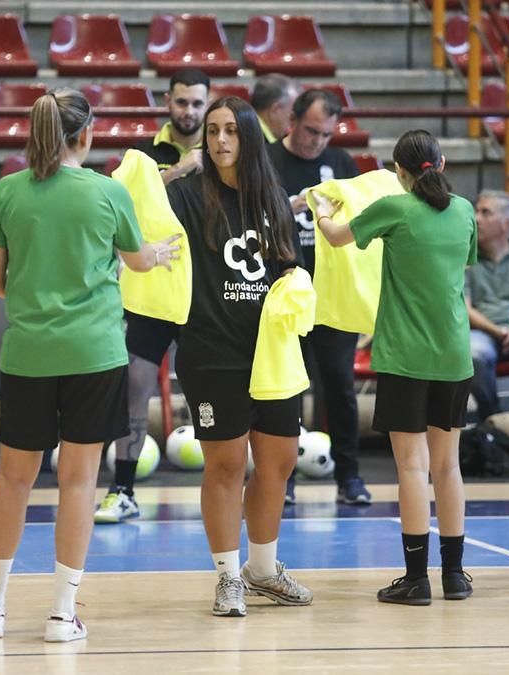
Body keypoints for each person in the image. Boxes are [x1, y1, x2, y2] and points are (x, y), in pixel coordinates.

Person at [0, 88, 180, 642]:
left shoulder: (8, 192)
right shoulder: (109, 193)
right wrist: (157, 253)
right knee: (79, 482)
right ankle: (62, 614)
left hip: (28, 355)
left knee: (12, 480)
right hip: (95, 354)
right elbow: (137, 260)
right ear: (87, 135)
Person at [313, 130, 477, 605]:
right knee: (448, 467)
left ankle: (415, 578)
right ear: (442, 163)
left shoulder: (394, 208)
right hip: (454, 355)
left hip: (405, 357)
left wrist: (324, 211)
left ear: (399, 172)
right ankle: (455, 575)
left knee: (412, 467)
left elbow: (337, 237)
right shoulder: (464, 211)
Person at [166, 95, 313, 617]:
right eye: (212, 131)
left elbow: (288, 270)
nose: (221, 141)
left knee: (278, 462)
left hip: (271, 356)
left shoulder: (272, 198)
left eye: (231, 131)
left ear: (249, 138)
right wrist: (183, 163)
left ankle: (263, 570)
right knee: (226, 465)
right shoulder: (186, 194)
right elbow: (134, 200)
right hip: (211, 353)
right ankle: (228, 577)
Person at [94, 69, 210, 524]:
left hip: (205, 294)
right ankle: (122, 490)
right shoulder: (142, 155)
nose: (189, 111)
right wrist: (181, 170)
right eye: (182, 102)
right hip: (153, 289)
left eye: (198, 103)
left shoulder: (224, 150)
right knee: (135, 389)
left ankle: (225, 489)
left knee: (216, 394)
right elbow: (121, 203)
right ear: (168, 102)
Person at [267, 89, 369, 506]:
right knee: (285, 389)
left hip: (330, 296)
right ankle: (282, 479)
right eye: (311, 130)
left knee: (340, 386)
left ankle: (349, 477)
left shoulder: (341, 164)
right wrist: (284, 210)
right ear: (292, 119)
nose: (318, 141)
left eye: (326, 134)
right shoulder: (268, 159)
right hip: (285, 290)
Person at [465, 190, 509, 421]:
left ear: (505, 223)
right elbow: (465, 309)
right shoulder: (467, 258)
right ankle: (493, 418)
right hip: (484, 332)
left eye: (485, 213)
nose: (477, 218)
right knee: (473, 354)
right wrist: (500, 333)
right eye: (477, 211)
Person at [251, 74, 302, 143]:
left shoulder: (244, 128)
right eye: (291, 115)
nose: (293, 123)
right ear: (275, 110)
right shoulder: (256, 144)